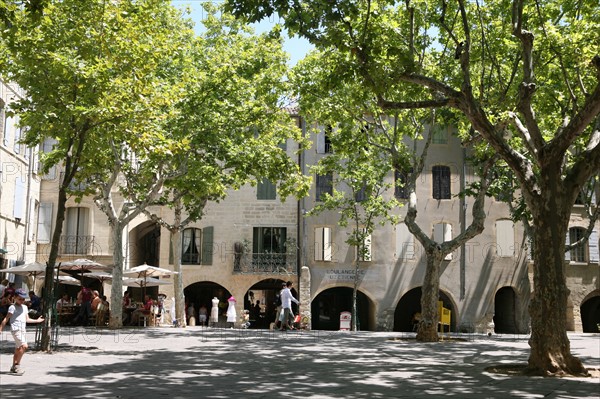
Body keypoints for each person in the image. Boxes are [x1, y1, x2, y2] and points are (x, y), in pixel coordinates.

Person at [0, 288, 44, 374]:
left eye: (23, 299)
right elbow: (6, 318)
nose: (22, 301)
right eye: (20, 299)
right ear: (15, 298)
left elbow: (27, 319)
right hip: (15, 329)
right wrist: (1, 328)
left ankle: (13, 366)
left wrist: (37, 321)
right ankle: (17, 366)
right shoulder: (12, 307)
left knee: (18, 348)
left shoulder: (25, 307)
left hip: (23, 330)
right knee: (24, 346)